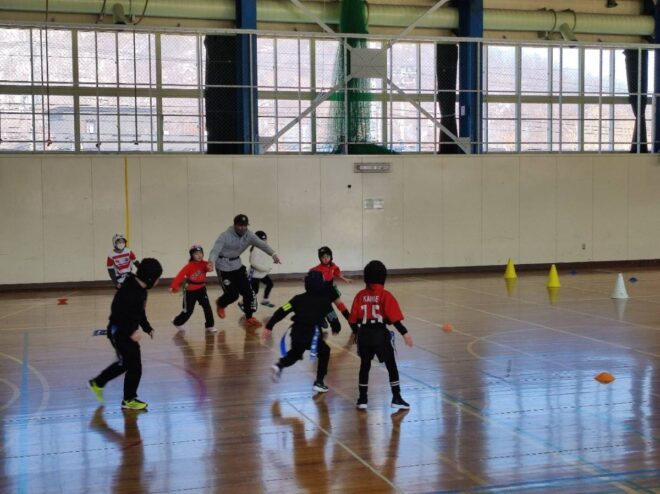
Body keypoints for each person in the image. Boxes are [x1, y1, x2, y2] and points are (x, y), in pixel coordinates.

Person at [88, 258, 163, 410]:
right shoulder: (129, 290)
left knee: (127, 363)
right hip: (119, 331)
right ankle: (129, 399)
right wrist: (131, 331)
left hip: (126, 332)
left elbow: (140, 312)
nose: (158, 281)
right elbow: (117, 313)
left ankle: (98, 383)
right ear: (150, 278)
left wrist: (147, 328)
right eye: (157, 278)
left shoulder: (142, 290)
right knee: (134, 365)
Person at [348, 260, 413, 411]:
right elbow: (395, 320)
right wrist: (405, 333)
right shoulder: (385, 295)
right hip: (379, 335)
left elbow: (352, 319)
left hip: (364, 335)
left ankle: (362, 399)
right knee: (391, 365)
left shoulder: (360, 295)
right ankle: (396, 397)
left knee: (364, 366)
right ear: (383, 276)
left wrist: (356, 333)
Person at [262, 270, 341, 393]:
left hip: (296, 333)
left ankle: (279, 365)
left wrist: (269, 325)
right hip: (312, 335)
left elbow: (282, 310)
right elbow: (333, 317)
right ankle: (319, 382)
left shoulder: (297, 299)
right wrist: (336, 327)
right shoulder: (325, 301)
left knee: (295, 353)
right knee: (325, 351)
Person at [208, 214, 281, 328]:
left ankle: (249, 317)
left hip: (237, 266)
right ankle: (221, 303)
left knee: (249, 292)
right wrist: (211, 262)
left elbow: (262, 245)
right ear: (235, 225)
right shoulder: (225, 236)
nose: (242, 228)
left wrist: (273, 254)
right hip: (223, 267)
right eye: (240, 225)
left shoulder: (249, 235)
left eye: (245, 225)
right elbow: (215, 250)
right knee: (233, 295)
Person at [170, 244, 216, 333]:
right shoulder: (189, 266)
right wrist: (173, 286)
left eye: (200, 253)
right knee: (188, 311)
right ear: (192, 255)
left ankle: (210, 326)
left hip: (201, 289)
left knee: (207, 307)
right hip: (189, 290)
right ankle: (177, 322)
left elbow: (209, 269)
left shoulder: (205, 263)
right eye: (196, 254)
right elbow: (180, 276)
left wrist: (210, 267)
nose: (199, 255)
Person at [310, 246, 352, 319]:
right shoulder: (316, 269)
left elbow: (336, 272)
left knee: (341, 305)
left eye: (327, 256)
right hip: (323, 292)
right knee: (329, 312)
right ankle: (331, 322)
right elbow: (310, 274)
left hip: (331, 289)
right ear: (320, 259)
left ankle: (352, 323)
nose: (326, 259)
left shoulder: (333, 265)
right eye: (323, 257)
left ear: (331, 256)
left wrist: (345, 279)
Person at [249, 231, 276, 308]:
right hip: (254, 273)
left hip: (261, 273)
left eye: (264, 240)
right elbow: (254, 263)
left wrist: (274, 257)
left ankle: (265, 300)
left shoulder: (261, 248)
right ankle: (242, 302)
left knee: (270, 284)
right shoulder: (255, 249)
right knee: (254, 291)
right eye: (262, 240)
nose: (264, 242)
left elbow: (269, 252)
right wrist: (266, 269)